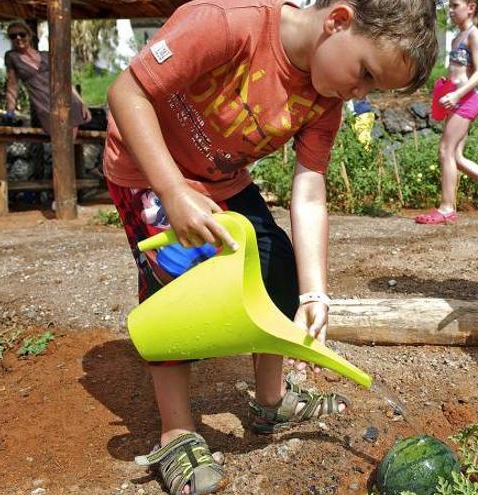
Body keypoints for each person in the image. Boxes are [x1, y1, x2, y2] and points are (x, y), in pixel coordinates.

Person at [104, 0, 437, 493]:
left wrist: (315, 293)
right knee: (181, 279)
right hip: (148, 167)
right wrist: (173, 191)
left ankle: (271, 400)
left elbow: (308, 192)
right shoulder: (227, 23)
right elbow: (126, 91)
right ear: (338, 20)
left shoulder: (326, 101)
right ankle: (176, 431)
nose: (358, 92)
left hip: (219, 180)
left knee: (279, 265)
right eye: (364, 73)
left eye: (372, 88)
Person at [415, 0, 478, 224]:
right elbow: (460, 71)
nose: (450, 10)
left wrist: (456, 94)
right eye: (449, 6)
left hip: (466, 101)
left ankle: (446, 208)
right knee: (456, 157)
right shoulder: (456, 37)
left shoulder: (474, 36)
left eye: (455, 5)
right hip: (456, 99)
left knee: (445, 150)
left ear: (470, 7)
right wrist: (446, 87)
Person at [4, 21, 91, 138]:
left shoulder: (46, 55)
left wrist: (81, 103)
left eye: (22, 34)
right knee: (59, 141)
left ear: (29, 35)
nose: (18, 38)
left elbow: (64, 80)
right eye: (13, 36)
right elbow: (12, 85)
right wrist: (10, 112)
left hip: (66, 100)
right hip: (44, 105)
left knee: (69, 142)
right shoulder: (12, 57)